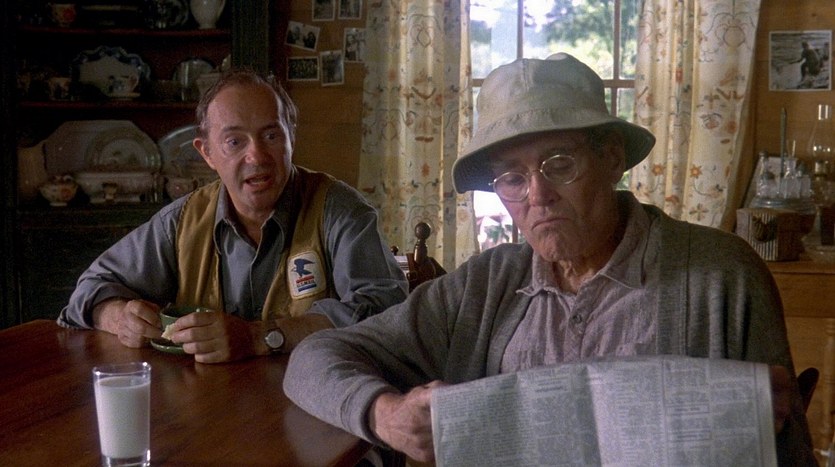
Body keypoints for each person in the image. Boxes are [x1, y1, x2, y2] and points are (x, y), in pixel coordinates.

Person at [283, 53, 816, 465]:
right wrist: (385, 415)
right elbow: (314, 358)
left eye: (559, 163)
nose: (537, 195)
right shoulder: (486, 285)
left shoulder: (722, 276)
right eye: (512, 177)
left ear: (611, 159)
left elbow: (790, 456)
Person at [57, 70, 409, 363]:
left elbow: (387, 312)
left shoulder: (340, 211)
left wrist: (259, 337)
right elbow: (88, 292)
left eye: (271, 135)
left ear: (292, 137)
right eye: (234, 142)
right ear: (207, 153)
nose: (257, 156)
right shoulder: (181, 222)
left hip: (315, 404)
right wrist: (118, 317)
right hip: (207, 409)